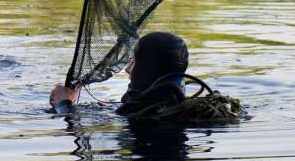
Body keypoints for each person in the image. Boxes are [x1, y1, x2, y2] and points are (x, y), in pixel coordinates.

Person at [50, 31, 243, 122]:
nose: (127, 69)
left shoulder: (138, 114)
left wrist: (63, 103)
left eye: (134, 62)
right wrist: (115, 108)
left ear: (146, 70)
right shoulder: (184, 106)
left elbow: (75, 122)